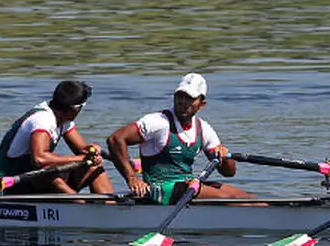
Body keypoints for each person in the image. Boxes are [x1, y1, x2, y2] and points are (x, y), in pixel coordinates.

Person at [106, 72, 255, 203]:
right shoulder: (158, 122)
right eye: (180, 96)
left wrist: (224, 156)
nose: (183, 102)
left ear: (202, 104)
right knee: (230, 198)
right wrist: (132, 179)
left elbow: (229, 173)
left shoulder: (204, 128)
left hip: (185, 186)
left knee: (247, 197)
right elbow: (115, 139)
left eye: (190, 98)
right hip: (159, 189)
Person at [0, 80, 113, 194]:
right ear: (75, 109)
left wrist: (92, 151)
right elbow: (39, 159)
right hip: (10, 186)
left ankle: (111, 206)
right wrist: (81, 158)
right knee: (48, 172)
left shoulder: (64, 120)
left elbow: (82, 151)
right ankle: (79, 205)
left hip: (32, 181)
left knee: (93, 167)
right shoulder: (42, 119)